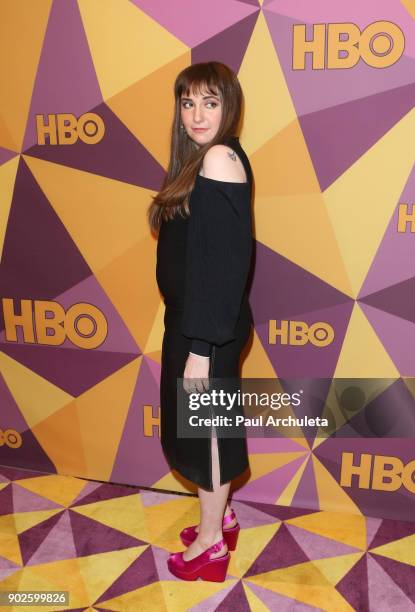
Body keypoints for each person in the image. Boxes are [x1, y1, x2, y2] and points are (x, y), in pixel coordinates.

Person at [148, 61, 254, 582]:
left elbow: (226, 267)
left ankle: (211, 545)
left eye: (209, 102)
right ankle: (224, 517)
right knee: (202, 433)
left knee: (207, 437)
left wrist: (201, 350)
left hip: (205, 330)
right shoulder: (201, 160)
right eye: (188, 102)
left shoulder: (217, 158)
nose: (196, 113)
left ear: (228, 106)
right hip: (194, 324)